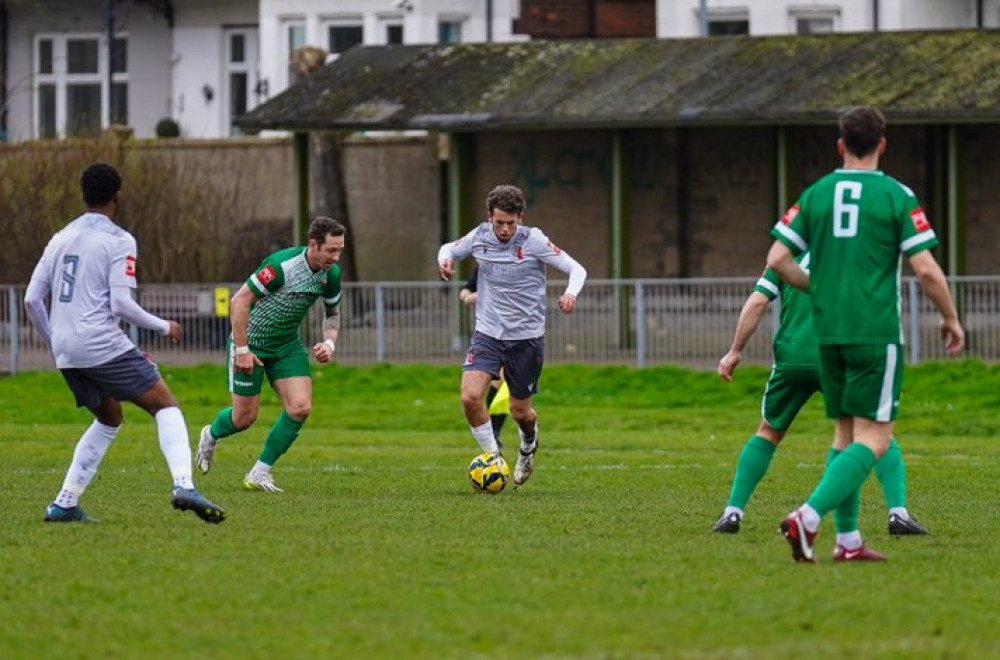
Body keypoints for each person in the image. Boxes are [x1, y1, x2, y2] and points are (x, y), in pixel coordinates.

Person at [767, 106, 964, 562]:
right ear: (883, 143)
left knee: (845, 434)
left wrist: (820, 289)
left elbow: (778, 258)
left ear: (840, 145)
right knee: (874, 438)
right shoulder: (896, 194)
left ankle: (849, 542)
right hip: (874, 331)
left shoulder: (815, 193)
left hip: (829, 332)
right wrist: (951, 317)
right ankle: (809, 517)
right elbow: (925, 268)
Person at [23, 162, 226, 524]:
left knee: (110, 417)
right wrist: (164, 326)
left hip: (67, 350)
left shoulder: (60, 237)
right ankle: (184, 485)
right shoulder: (119, 240)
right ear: (118, 196)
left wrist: (55, 343)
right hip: (99, 341)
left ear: (84, 195)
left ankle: (64, 503)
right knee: (166, 406)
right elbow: (121, 305)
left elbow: (31, 300)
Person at [713, 255, 928, 536]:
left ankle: (732, 513)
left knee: (768, 432)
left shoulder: (784, 255)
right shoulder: (847, 253)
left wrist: (735, 350)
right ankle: (896, 513)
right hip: (836, 356)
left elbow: (757, 302)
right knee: (871, 432)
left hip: (792, 359)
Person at [437, 184, 587, 486]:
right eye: (499, 222)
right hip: (488, 334)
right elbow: (448, 248)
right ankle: (493, 458)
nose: (504, 229)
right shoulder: (479, 236)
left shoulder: (534, 240)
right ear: (489, 217)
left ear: (520, 217)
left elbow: (577, 269)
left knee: (520, 411)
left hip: (527, 338)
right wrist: (444, 260)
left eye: (510, 222)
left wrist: (570, 295)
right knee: (470, 397)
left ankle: (528, 446)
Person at [196, 217, 345, 492]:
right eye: (331, 251)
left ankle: (259, 473)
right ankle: (210, 433)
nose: (336, 258)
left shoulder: (330, 274)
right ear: (313, 245)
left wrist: (329, 343)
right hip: (250, 344)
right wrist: (242, 350)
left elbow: (333, 314)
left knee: (300, 407)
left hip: (286, 345)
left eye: (340, 250)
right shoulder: (281, 267)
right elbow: (239, 301)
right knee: (243, 419)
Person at [459, 267, 509, 442]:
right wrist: (468, 297)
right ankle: (493, 431)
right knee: (498, 382)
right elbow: (466, 290)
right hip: (488, 335)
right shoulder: (483, 267)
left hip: (516, 334)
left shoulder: (515, 268)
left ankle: (501, 431)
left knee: (504, 383)